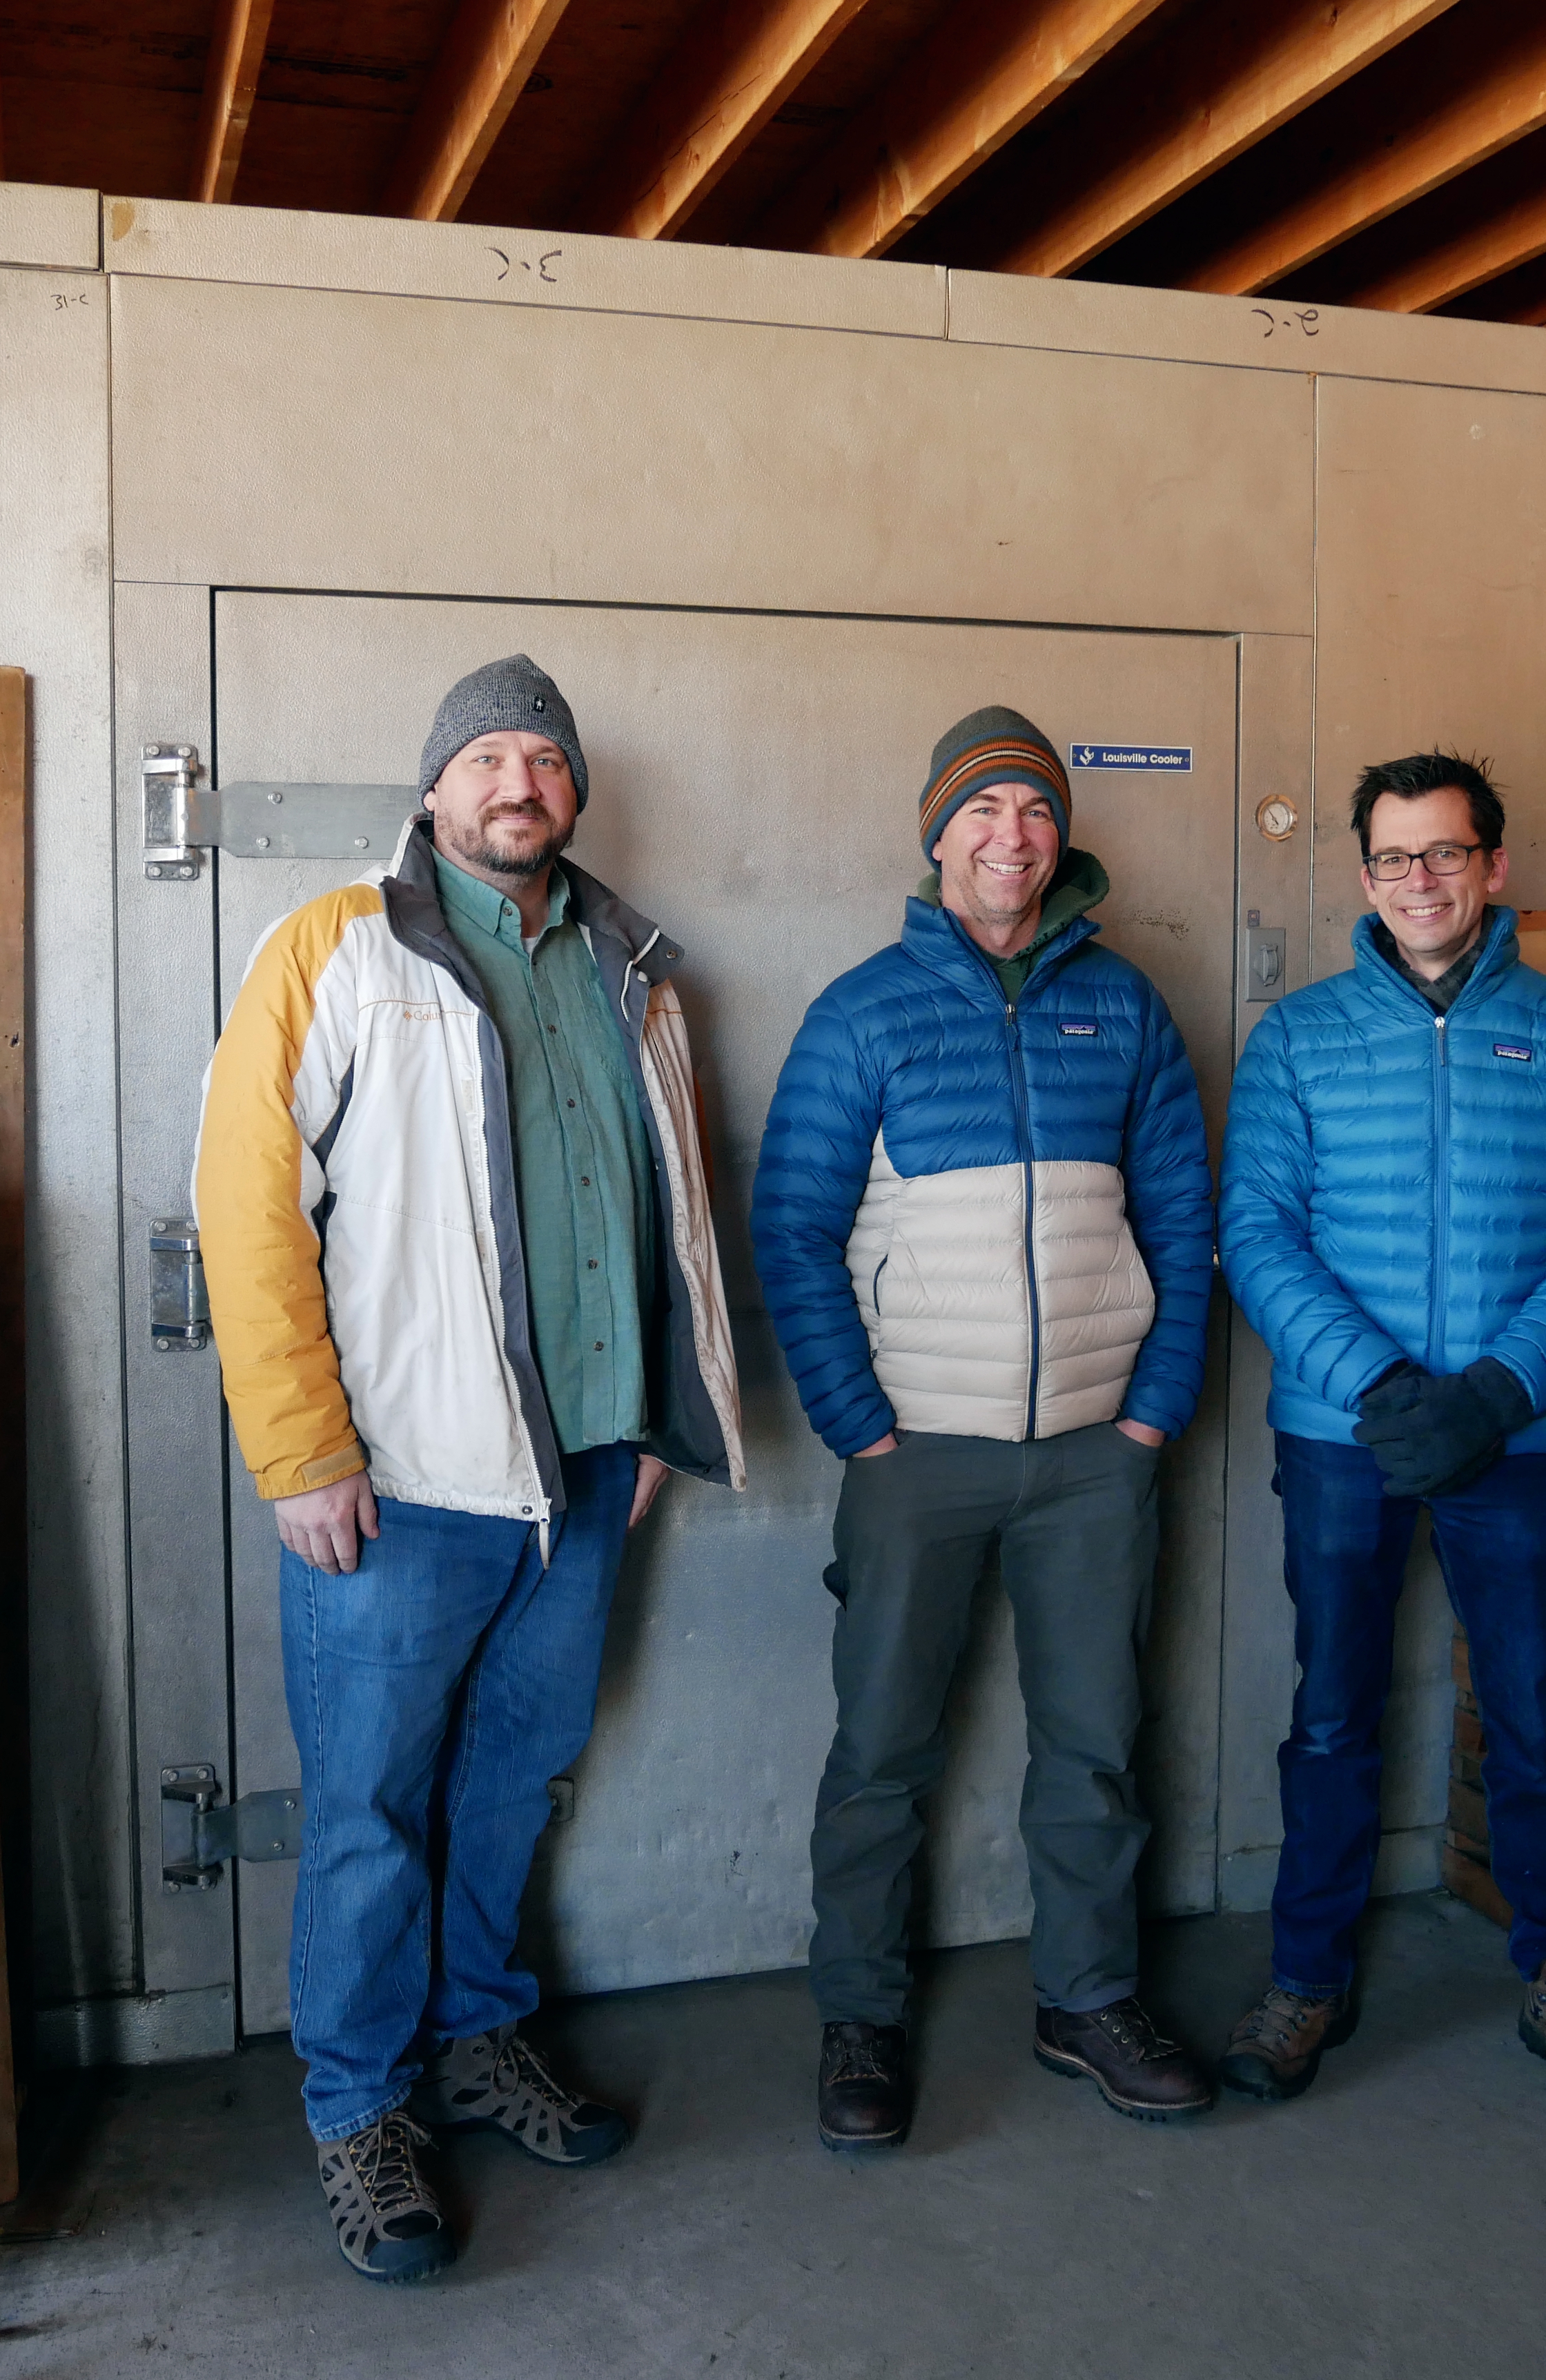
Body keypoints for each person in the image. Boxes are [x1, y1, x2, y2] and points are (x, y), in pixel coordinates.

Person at [194, 654, 747, 2282]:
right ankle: (359, 2107)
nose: (521, 781)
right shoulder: (332, 953)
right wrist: (301, 1451)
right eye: (489, 756)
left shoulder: (633, 967)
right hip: (402, 1482)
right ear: (434, 788)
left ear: (574, 792)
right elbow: (247, 1211)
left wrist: (653, 1412)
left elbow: (661, 1212)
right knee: (367, 1811)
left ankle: (478, 2033)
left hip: (580, 1481)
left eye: (546, 758)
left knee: (513, 1781)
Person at [752, 705, 1217, 2152]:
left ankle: (1087, 1999)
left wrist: (1149, 1417)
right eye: (981, 810)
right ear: (935, 836)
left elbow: (1186, 1222)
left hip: (1094, 1454)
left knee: (1093, 1741)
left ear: (1056, 837)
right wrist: (861, 1428)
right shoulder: (863, 1011)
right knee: (881, 1747)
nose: (1009, 834)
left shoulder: (1124, 1007)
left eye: (1032, 809)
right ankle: (861, 2018)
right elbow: (791, 1229)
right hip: (918, 1456)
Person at [1213, 752, 1546, 2125]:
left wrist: (1497, 1390)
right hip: (1347, 1435)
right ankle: (1305, 1973)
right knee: (1333, 1709)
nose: (1421, 880)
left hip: (1510, 1439)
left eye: (1446, 853)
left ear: (1493, 866)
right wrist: (1383, 1384)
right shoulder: (1297, 1036)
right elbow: (1257, 1231)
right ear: (1363, 877)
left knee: (1530, 1710)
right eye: (1395, 858)